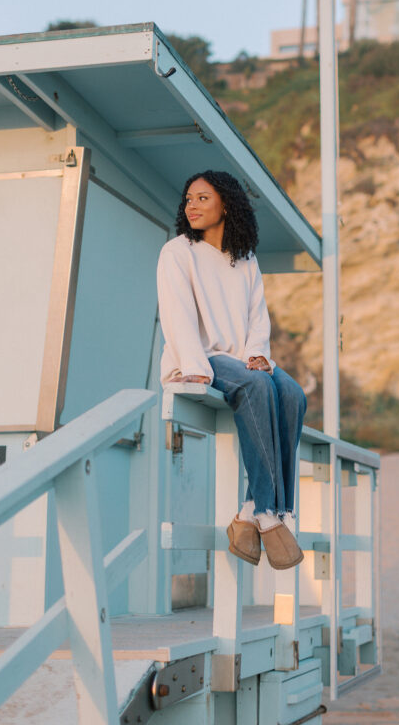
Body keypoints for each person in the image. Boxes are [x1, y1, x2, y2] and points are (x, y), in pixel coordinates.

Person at [156, 169, 306, 570]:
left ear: (227, 203)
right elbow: (176, 314)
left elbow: (259, 315)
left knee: (292, 393)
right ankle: (271, 515)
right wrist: (194, 365)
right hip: (203, 356)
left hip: (242, 359)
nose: (192, 206)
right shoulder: (178, 252)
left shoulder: (246, 260)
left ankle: (254, 509)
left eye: (203, 198)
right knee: (258, 387)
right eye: (188, 199)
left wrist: (259, 353)